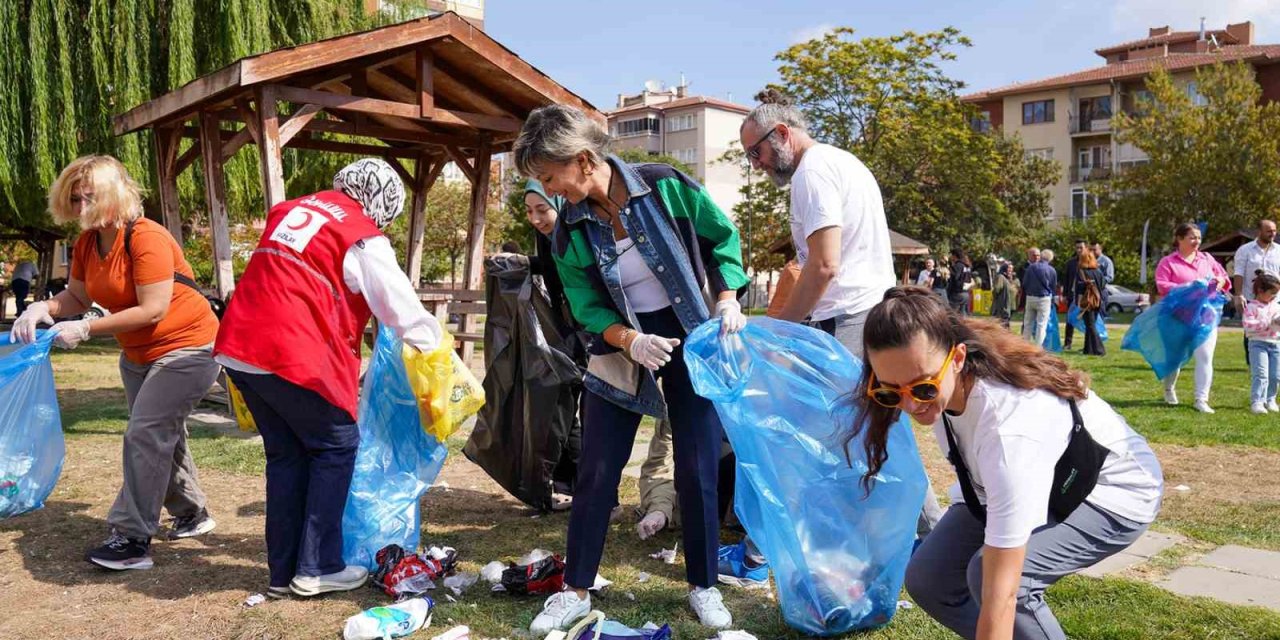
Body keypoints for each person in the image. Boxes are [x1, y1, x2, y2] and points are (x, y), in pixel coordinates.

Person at [514, 104, 749, 632]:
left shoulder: (666, 187)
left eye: (552, 179)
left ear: (581, 160)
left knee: (697, 461)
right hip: (624, 344)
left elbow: (722, 239)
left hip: (692, 337)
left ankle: (703, 585)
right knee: (597, 465)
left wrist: (729, 296)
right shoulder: (569, 230)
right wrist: (629, 340)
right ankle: (575, 588)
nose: (553, 192)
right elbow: (584, 304)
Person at [847, 287, 1163, 640]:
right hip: (1030, 480)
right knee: (929, 577)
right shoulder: (944, 379)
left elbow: (1002, 593)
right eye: (890, 392)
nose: (910, 404)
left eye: (922, 388)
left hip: (1113, 490)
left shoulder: (1008, 429)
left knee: (991, 577)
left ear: (957, 358)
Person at [214, 158, 444, 599]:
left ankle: (282, 573)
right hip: (291, 352)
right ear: (381, 203)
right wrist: (435, 350)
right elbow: (399, 306)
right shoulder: (360, 235)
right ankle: (318, 567)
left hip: (240, 346)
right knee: (335, 445)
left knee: (287, 456)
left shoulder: (290, 210)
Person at [739, 87, 943, 561]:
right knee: (875, 426)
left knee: (820, 427)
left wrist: (783, 329)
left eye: (758, 151)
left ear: (783, 134)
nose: (757, 163)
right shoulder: (840, 162)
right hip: (868, 310)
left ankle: (768, 544)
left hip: (849, 318)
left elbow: (825, 265)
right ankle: (929, 530)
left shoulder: (813, 174)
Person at [12, 155, 221, 570]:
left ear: (113, 195)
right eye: (74, 197)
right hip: (139, 354)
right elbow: (76, 297)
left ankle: (132, 538)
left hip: (190, 347)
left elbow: (154, 309)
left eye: (89, 196)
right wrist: (43, 308)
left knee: (145, 434)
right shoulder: (88, 243)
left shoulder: (147, 237)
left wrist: (87, 330)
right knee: (162, 433)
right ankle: (192, 514)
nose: (80, 205)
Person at [1155, 223, 1231, 413]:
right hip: (1177, 316)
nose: (1197, 241)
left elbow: (1224, 279)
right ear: (1179, 239)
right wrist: (1189, 286)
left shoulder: (1207, 259)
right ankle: (1169, 388)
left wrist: (1219, 281)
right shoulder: (1168, 262)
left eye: (1198, 237)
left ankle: (1201, 399)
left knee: (1205, 357)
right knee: (1175, 357)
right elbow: (1162, 285)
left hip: (1205, 315)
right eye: (1192, 237)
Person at [1232, 220, 1280, 366]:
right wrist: (1238, 294)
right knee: (1252, 331)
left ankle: (1274, 362)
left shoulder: (1279, 250)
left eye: (1274, 230)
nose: (1273, 234)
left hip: (1275, 299)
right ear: (1258, 232)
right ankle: (1254, 363)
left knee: (1276, 329)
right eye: (1268, 231)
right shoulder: (1245, 250)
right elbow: (1238, 272)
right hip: (1251, 299)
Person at [1242, 270, 1280, 414]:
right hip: (1258, 343)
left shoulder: (1276, 306)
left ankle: (1270, 399)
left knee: (1275, 375)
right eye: (1271, 293)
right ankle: (1257, 401)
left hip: (1275, 343)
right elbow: (1248, 325)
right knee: (1261, 373)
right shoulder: (1251, 307)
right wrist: (1269, 323)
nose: (1274, 297)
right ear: (1260, 291)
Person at [1020, 248, 1056, 346]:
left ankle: (1024, 346)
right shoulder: (1051, 270)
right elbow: (1053, 286)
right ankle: (1037, 347)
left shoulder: (1030, 268)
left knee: (1027, 323)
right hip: (1044, 298)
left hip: (1030, 297)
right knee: (1041, 324)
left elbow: (1025, 283)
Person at [1075, 249, 1107, 356]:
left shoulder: (1081, 272)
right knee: (1090, 325)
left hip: (1087, 301)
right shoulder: (1098, 272)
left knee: (1090, 325)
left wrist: (1079, 303)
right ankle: (1088, 349)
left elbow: (1079, 289)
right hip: (1097, 301)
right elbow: (1103, 286)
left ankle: (1099, 349)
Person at [1060, 240, 1086, 350]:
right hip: (1072, 295)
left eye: (1081, 247)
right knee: (1070, 320)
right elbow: (1066, 280)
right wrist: (1065, 295)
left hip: (1085, 297)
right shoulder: (1071, 263)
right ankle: (1067, 343)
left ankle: (1087, 344)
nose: (1079, 250)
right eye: (1077, 248)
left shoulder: (1089, 262)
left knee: (1087, 321)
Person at [947, 249, 974, 316]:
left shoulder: (958, 265)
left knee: (951, 314)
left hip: (957, 293)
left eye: (951, 255)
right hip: (966, 293)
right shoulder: (967, 266)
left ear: (955, 256)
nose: (951, 257)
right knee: (963, 314)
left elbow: (955, 278)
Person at [991, 262, 1016, 330]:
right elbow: (997, 289)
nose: (1010, 271)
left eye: (1012, 269)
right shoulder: (1001, 277)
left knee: (1005, 325)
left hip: (1007, 307)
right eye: (1009, 269)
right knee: (1001, 325)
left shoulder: (1008, 279)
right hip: (1002, 307)